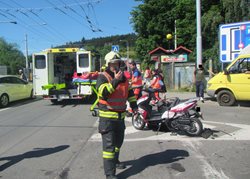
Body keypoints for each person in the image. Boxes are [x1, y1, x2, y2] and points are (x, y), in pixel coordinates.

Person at [96, 51, 138, 179]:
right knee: (109, 148)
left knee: (118, 144)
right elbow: (104, 93)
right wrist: (115, 80)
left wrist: (134, 106)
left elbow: (129, 92)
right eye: (113, 63)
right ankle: (110, 175)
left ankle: (115, 161)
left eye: (117, 63)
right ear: (108, 64)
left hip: (120, 118)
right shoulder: (103, 77)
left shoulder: (124, 77)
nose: (115, 66)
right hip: (107, 118)